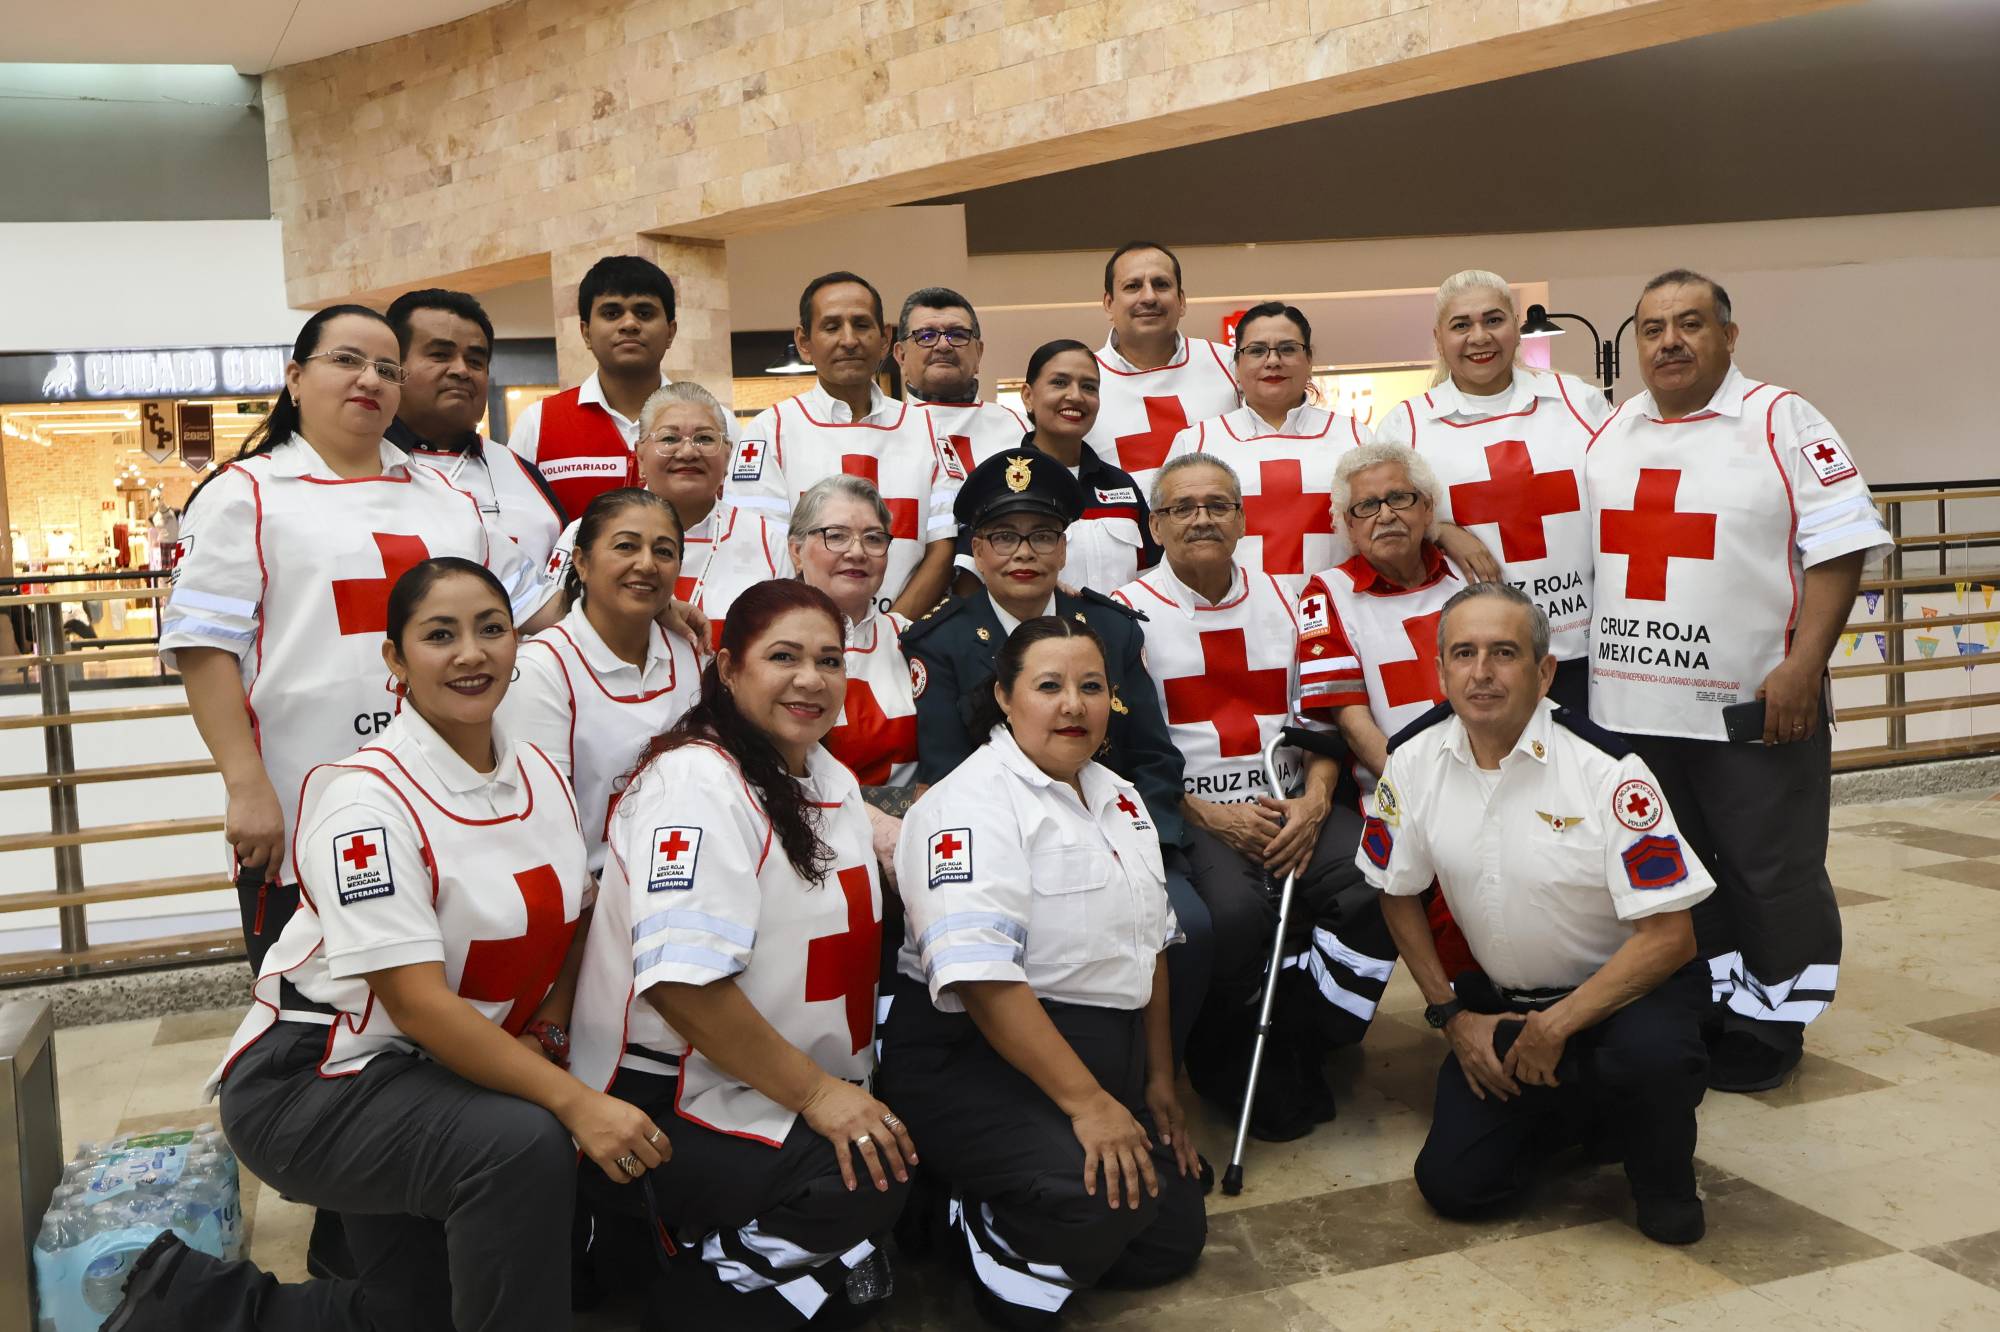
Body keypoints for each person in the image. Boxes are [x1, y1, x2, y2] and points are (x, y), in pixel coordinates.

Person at [109, 558, 664, 1331]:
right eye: (440, 635)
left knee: (409, 1316)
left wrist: (549, 1032)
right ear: (395, 661)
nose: (471, 654)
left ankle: (178, 1308)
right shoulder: (363, 801)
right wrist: (576, 1102)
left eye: (491, 630)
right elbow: (416, 1002)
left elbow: (573, 924)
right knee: (522, 1144)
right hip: (317, 1080)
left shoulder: (538, 769)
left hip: (434, 1071)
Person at [160, 305, 546, 974]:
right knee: (321, 1023)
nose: (369, 379)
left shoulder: (447, 499)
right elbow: (203, 648)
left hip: (447, 797)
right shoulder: (244, 495)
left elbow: (537, 609)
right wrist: (246, 785)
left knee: (452, 997)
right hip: (307, 803)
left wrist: (657, 608)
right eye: (346, 360)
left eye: (387, 368)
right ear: (295, 377)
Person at [567, 579, 908, 1329]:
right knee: (871, 1182)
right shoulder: (694, 782)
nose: (810, 679)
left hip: (774, 1076)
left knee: (913, 1153)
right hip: (670, 1100)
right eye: (782, 656)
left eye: (829, 659)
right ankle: (682, 1288)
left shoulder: (827, 775)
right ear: (727, 667)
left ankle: (796, 1269)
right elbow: (682, 988)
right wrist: (823, 1098)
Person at [1585, 269, 1891, 1092]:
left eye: (1690, 323)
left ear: (1729, 335)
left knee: (1772, 869)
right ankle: (1719, 999)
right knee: (1681, 869)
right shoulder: (1612, 432)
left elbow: (1841, 542)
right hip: (1635, 709)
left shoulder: (1781, 419)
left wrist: (1804, 666)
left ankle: (1778, 1018)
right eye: (1652, 328)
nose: (1670, 341)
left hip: (1752, 705)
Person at [1366, 582, 1716, 1245]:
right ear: (1440, 669)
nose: (1481, 672)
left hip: (1626, 999)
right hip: (1504, 1005)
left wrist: (1558, 1025)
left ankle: (1660, 1168)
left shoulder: (1609, 770)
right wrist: (1449, 1016)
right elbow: (1394, 890)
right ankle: (1580, 1109)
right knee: (1458, 1187)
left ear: (1544, 669)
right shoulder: (1411, 761)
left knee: (1653, 1067)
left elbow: (1671, 938)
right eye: (1463, 654)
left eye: (1504, 652)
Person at [881, 616, 1205, 1327]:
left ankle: (1002, 1196)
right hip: (977, 1059)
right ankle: (966, 1229)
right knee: (1095, 1202)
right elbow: (983, 981)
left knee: (1172, 1238)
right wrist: (1089, 1107)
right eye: (1048, 686)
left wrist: (1157, 1087)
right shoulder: (965, 806)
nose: (1073, 706)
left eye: (1091, 687)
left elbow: (1150, 949)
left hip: (1099, 1054)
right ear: (1004, 696)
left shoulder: (1120, 798)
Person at [903, 449, 1212, 1061]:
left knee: (1198, 927)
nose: (1024, 553)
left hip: (1124, 831)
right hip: (1009, 844)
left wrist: (1138, 845)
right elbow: (945, 777)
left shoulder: (1113, 629)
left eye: (1042, 535)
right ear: (977, 550)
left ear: (1066, 547)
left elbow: (1153, 757)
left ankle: (1161, 1074)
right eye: (1003, 537)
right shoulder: (939, 643)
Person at [1113, 454, 1373, 1140]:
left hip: (1292, 801)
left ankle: (1309, 1031)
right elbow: (1123, 753)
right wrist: (1211, 817)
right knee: (1230, 915)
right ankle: (1227, 1054)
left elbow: (1325, 720)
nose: (1201, 518)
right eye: (1181, 508)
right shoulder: (1122, 616)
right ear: (1156, 526)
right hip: (1195, 813)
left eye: (1217, 504)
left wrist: (1315, 803)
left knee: (1382, 873)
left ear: (1243, 518)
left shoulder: (1293, 599)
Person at [1373, 271, 1606, 713]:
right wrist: (1437, 528)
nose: (1479, 337)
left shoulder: (1578, 401)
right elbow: (1380, 521)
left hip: (1582, 649)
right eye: (1461, 325)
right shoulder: (1407, 425)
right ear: (1439, 338)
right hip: (1480, 662)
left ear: (1517, 327)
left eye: (1493, 320)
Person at [726, 272, 962, 618]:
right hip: (802, 634)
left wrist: (890, 630)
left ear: (884, 339)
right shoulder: (770, 430)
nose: (849, 340)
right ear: (804, 342)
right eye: (832, 326)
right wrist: (817, 630)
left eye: (861, 324)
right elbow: (760, 549)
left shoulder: (927, 428)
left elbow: (944, 546)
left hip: (906, 637)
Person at [498, 488, 700, 876]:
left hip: (682, 880)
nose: (646, 564)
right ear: (582, 563)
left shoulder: (690, 652)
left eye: (664, 551)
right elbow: (540, 824)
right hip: (589, 901)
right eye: (626, 547)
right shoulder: (541, 669)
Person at [538, 381, 792, 644]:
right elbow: (555, 632)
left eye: (704, 438)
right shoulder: (585, 533)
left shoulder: (766, 541)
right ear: (640, 455)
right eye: (669, 438)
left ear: (727, 455)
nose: (688, 452)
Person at [1161, 303, 1367, 595]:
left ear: (1309, 360)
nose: (1273, 361)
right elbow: (1173, 539)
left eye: (1288, 349)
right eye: (1257, 350)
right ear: (1236, 364)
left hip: (1339, 610)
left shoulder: (1354, 437)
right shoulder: (1198, 443)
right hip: (1234, 613)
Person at [384, 288, 567, 571]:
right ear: (394, 367)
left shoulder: (524, 475)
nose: (461, 370)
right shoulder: (357, 466)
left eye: (475, 361)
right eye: (440, 354)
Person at [984, 339, 1159, 594]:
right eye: (1059, 383)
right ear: (1028, 396)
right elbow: (974, 584)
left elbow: (1150, 581)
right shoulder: (999, 481)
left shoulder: (1121, 485)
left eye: (1089, 387)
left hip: (1122, 632)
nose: (1076, 396)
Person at [509, 255, 677, 516]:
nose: (629, 324)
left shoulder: (712, 420)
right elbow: (518, 525)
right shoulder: (539, 423)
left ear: (670, 332)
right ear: (586, 332)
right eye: (612, 313)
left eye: (644, 313)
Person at [1086, 241, 1239, 494]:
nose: (1148, 297)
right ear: (1108, 304)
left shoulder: (1230, 366)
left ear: (1181, 301)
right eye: (1133, 286)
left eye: (1161, 284)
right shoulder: (1084, 380)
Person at [894, 285, 1028, 473]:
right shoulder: (882, 432)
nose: (943, 346)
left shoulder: (1020, 430)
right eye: (925, 335)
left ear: (979, 353)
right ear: (901, 356)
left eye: (957, 335)